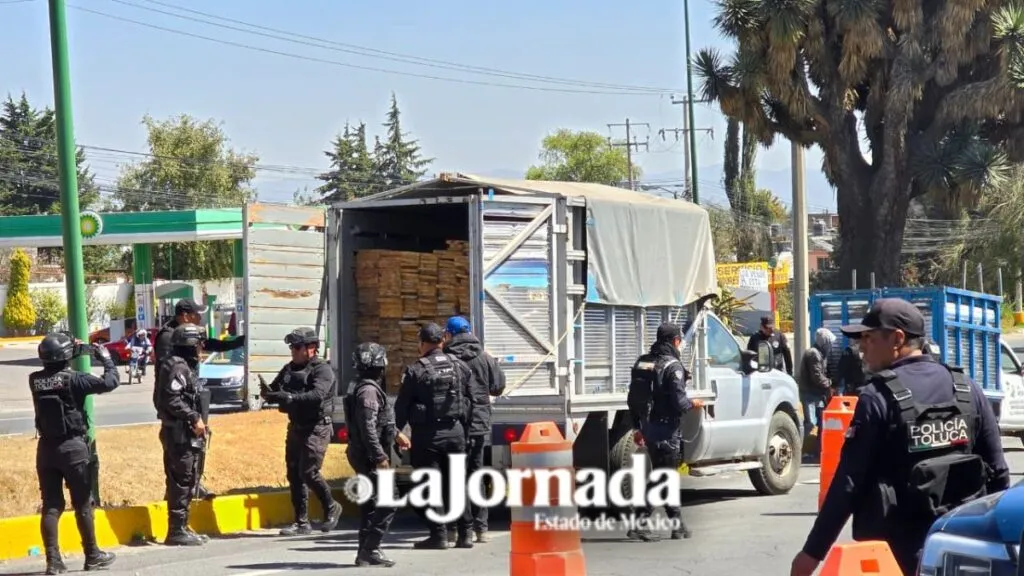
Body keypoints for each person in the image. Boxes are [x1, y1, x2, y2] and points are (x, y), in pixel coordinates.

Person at [790, 298, 1010, 576]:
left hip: (897, 558)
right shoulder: (967, 389)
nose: (860, 347)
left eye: (868, 338)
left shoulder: (877, 398)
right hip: (960, 555)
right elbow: (999, 474)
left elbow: (848, 484)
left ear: (897, 339)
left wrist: (811, 554)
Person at [30, 332, 119, 574]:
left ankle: (53, 562)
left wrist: (71, 348)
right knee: (82, 504)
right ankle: (92, 555)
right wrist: (106, 358)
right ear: (67, 356)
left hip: (46, 449)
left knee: (51, 506)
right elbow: (110, 382)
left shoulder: (34, 379)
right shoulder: (75, 380)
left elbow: (54, 373)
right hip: (72, 448)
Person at [394, 322, 474, 550]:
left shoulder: (417, 369)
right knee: (458, 483)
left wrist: (396, 432)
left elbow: (402, 406)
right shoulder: (460, 366)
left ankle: (439, 535)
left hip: (428, 436)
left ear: (422, 343)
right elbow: (470, 400)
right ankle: (465, 534)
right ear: (442, 341)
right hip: (456, 432)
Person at [153, 298, 243, 500]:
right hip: (176, 400)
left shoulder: (187, 335)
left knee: (195, 444)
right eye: (196, 314)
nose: (200, 318)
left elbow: (209, 344)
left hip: (189, 397)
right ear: (185, 315)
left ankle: (192, 483)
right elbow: (170, 377)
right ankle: (178, 491)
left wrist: (239, 342)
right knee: (179, 447)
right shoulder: (170, 337)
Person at [260, 327, 344, 536]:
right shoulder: (289, 368)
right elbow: (275, 388)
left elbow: (318, 394)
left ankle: (331, 506)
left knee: (309, 472)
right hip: (296, 426)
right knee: (294, 474)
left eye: (297, 347)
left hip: (316, 427)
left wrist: (292, 398)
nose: (293, 351)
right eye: (292, 347)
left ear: (311, 348)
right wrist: (270, 394)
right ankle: (301, 522)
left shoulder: (322, 369)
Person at [626, 322, 703, 542]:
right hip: (666, 429)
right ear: (675, 341)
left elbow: (632, 400)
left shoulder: (643, 362)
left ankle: (677, 526)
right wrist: (694, 403)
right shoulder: (673, 366)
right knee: (664, 477)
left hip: (649, 427)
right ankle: (639, 523)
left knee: (665, 474)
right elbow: (680, 403)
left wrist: (637, 427)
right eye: (679, 340)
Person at [343, 342, 411, 567]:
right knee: (389, 500)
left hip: (362, 452)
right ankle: (370, 549)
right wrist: (380, 457)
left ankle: (365, 552)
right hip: (369, 455)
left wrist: (396, 434)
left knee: (370, 504)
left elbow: (378, 421)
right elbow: (368, 428)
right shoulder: (369, 391)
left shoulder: (363, 386)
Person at [441, 316, 506, 544]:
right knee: (476, 474)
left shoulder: (447, 359)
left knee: (454, 476)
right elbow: (497, 387)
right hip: (479, 424)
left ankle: (455, 529)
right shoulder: (485, 357)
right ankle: (481, 528)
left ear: (449, 334)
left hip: (455, 425)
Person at [155, 323, 211, 546]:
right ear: (190, 344)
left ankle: (182, 526)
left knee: (187, 479)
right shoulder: (177, 366)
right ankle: (176, 530)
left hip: (184, 433)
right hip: (179, 434)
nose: (201, 347)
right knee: (182, 480)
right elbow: (171, 399)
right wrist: (193, 417)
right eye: (199, 343)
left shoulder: (182, 365)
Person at [799, 328, 836, 440]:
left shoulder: (821, 353)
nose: (830, 347)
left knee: (821, 420)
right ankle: (803, 449)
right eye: (829, 344)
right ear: (824, 343)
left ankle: (819, 447)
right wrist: (829, 383)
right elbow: (817, 377)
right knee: (810, 424)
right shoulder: (813, 354)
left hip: (817, 394)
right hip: (809, 395)